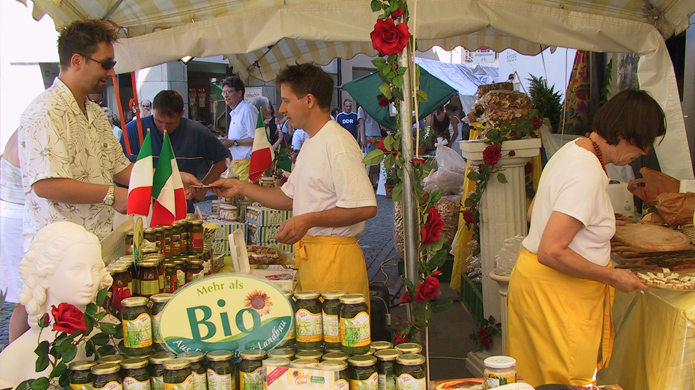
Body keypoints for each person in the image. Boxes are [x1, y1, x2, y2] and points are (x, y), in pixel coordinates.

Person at [506, 89, 663, 386]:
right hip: (558, 296)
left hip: (539, 289)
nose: (643, 153)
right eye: (643, 143)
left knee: (537, 381)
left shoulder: (574, 150)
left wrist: (595, 224)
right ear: (624, 133)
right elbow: (551, 251)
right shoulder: (585, 171)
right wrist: (613, 277)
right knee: (566, 381)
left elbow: (533, 213)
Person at [210, 64, 377, 299]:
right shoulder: (311, 142)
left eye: (286, 100)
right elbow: (289, 196)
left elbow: (364, 206)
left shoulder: (338, 142)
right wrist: (240, 187)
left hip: (335, 264)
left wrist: (307, 220)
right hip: (314, 261)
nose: (281, 108)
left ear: (309, 100)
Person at [17, 19, 134, 250]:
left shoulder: (95, 112)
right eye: (106, 64)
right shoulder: (45, 111)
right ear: (77, 61)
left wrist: (172, 178)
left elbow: (121, 169)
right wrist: (112, 194)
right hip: (59, 254)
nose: (111, 72)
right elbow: (46, 185)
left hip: (97, 245)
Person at [0, 221, 113, 387]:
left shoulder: (110, 332)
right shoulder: (16, 357)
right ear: (45, 273)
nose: (89, 281)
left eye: (95, 269)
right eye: (76, 269)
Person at [120, 90, 230, 207]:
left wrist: (203, 187)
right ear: (153, 111)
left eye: (171, 123)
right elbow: (117, 168)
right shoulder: (133, 130)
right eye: (159, 121)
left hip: (182, 208)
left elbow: (224, 158)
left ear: (182, 113)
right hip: (142, 207)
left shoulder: (196, 131)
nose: (164, 128)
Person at [0, 130, 29, 342]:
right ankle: (14, 362)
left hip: (17, 213)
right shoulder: (34, 124)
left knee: (27, 298)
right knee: (27, 298)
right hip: (18, 217)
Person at [220, 76, 258, 181]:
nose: (225, 95)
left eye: (229, 91)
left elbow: (256, 139)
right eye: (223, 92)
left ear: (239, 93)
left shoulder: (248, 110)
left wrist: (234, 142)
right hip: (234, 164)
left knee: (245, 196)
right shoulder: (234, 113)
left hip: (247, 164)